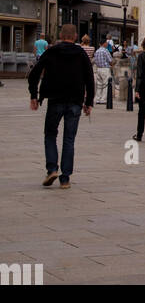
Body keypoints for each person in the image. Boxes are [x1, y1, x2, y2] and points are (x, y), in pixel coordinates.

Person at [28, 23, 94, 189]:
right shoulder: (81, 54)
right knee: (69, 139)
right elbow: (89, 78)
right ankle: (65, 179)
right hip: (75, 101)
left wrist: (34, 95)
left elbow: (34, 73)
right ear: (75, 36)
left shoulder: (52, 51)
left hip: (55, 99)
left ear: (61, 36)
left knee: (50, 134)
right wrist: (89, 102)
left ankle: (52, 169)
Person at [92, 39, 113, 104]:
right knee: (106, 84)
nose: (107, 44)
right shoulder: (105, 51)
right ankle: (103, 99)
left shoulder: (97, 51)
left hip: (98, 69)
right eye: (106, 43)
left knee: (99, 84)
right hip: (105, 69)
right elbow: (110, 60)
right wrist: (112, 65)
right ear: (104, 44)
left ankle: (97, 98)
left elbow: (95, 60)